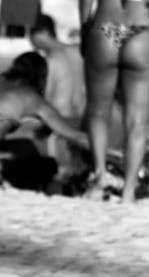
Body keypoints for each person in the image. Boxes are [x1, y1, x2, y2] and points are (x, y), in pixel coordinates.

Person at [80, 0, 149, 202]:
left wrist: (84, 29)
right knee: (137, 120)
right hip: (141, 31)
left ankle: (100, 175)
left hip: (105, 26)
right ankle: (128, 190)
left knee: (98, 111)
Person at [0, 52, 89, 190]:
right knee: (49, 165)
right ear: (42, 77)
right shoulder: (32, 98)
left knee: (22, 144)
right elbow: (75, 136)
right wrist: (106, 153)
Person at [29, 13, 86, 121]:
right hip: (82, 115)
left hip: (58, 116)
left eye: (32, 33)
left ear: (45, 32)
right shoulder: (78, 52)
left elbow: (46, 93)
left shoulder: (49, 60)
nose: (30, 39)